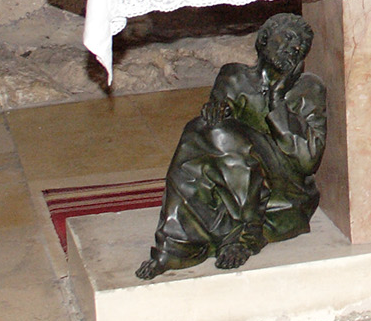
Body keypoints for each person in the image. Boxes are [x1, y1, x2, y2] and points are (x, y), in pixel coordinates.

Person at [136, 14, 327, 277]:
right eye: (289, 37)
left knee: (219, 134)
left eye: (302, 46)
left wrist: (277, 100)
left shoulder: (309, 88)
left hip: (285, 188)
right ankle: (175, 243)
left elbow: (308, 160)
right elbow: (213, 136)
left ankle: (247, 233)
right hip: (239, 177)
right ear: (263, 39)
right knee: (196, 132)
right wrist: (215, 111)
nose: (295, 48)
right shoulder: (233, 77)